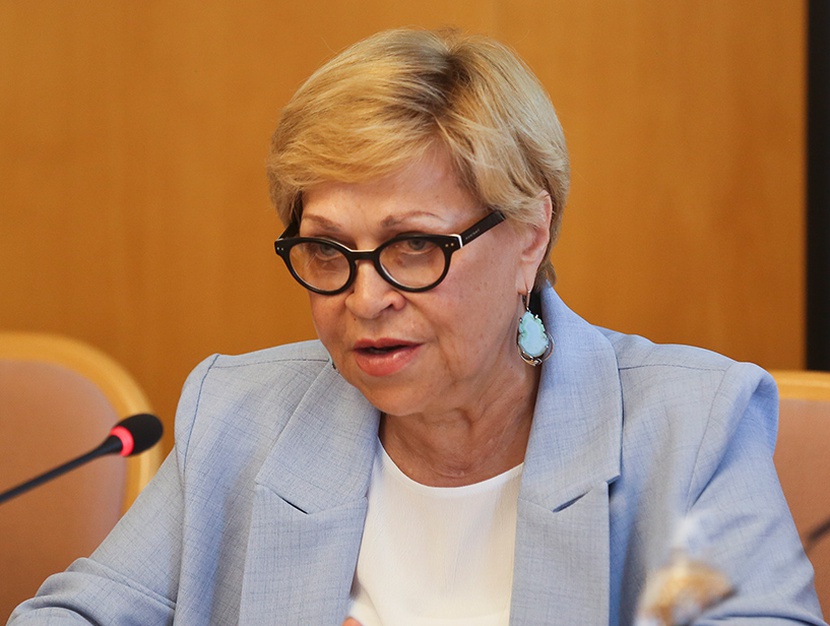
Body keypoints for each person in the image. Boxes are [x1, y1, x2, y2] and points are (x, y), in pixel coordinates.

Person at [7, 27, 825, 626]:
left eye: (413, 246)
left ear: (529, 234)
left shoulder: (690, 428)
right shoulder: (238, 418)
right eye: (329, 250)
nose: (365, 298)